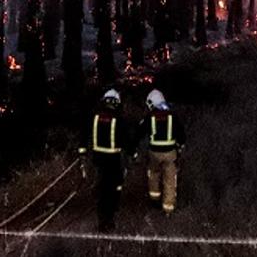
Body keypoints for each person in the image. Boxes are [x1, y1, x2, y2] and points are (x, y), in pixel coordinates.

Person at [79, 89, 130, 231]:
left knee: (101, 189)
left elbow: (84, 136)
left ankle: (102, 220)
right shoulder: (119, 119)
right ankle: (110, 217)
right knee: (113, 188)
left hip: (98, 160)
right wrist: (132, 154)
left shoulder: (94, 118)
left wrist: (82, 154)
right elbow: (126, 140)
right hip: (114, 160)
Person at [136, 89, 186, 214]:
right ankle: (168, 208)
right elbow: (181, 133)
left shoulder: (149, 117)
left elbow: (139, 133)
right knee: (170, 179)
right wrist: (180, 145)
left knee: (154, 174)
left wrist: (134, 148)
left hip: (154, 152)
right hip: (170, 153)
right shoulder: (172, 116)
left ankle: (154, 199)